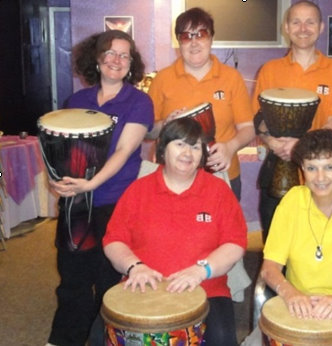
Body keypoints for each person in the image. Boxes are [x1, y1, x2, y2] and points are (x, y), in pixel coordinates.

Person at [46, 30, 153, 346]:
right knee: (73, 280)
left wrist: (90, 183)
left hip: (115, 203)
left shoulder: (138, 101)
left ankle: (109, 339)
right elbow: (61, 150)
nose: (116, 60)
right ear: (97, 58)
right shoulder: (76, 101)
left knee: (110, 280)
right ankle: (65, 339)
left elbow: (123, 151)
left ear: (131, 63)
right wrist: (57, 181)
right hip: (76, 206)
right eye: (110, 53)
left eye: (124, 55)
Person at [103, 117, 247, 346]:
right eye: (179, 144)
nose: (187, 153)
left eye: (195, 146)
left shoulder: (218, 191)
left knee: (221, 339)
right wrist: (134, 266)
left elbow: (234, 244)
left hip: (207, 289)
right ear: (162, 148)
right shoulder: (138, 190)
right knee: (98, 335)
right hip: (144, 287)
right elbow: (114, 241)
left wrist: (201, 270)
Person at [243, 129, 332, 345]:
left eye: (329, 167)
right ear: (302, 169)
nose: (320, 178)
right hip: (298, 303)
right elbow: (269, 268)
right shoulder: (292, 202)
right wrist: (290, 293)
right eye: (312, 168)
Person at [251, 0, 332, 239]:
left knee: (316, 242)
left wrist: (299, 148)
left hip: (320, 174)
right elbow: (259, 120)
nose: (303, 28)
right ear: (286, 27)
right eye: (296, 22)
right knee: (276, 240)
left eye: (310, 22)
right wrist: (275, 144)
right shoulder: (270, 70)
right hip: (277, 168)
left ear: (321, 27)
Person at [147, 7, 255, 200]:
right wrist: (164, 125)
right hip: (174, 179)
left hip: (222, 174)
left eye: (201, 34)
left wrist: (230, 148)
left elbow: (248, 127)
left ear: (211, 38)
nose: (194, 42)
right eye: (187, 36)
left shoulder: (231, 78)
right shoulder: (162, 79)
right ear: (178, 42)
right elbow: (147, 132)